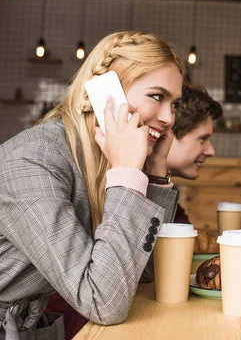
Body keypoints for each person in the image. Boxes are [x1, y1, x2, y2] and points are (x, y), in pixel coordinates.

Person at [0, 31, 184, 339]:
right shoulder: (33, 160)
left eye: (174, 103)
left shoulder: (99, 160)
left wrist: (154, 174)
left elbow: (144, 274)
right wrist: (127, 173)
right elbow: (102, 302)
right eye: (157, 96)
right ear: (106, 93)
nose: (168, 117)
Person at [167, 85, 222, 223]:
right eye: (203, 139)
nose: (211, 151)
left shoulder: (163, 187)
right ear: (168, 135)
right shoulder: (136, 189)